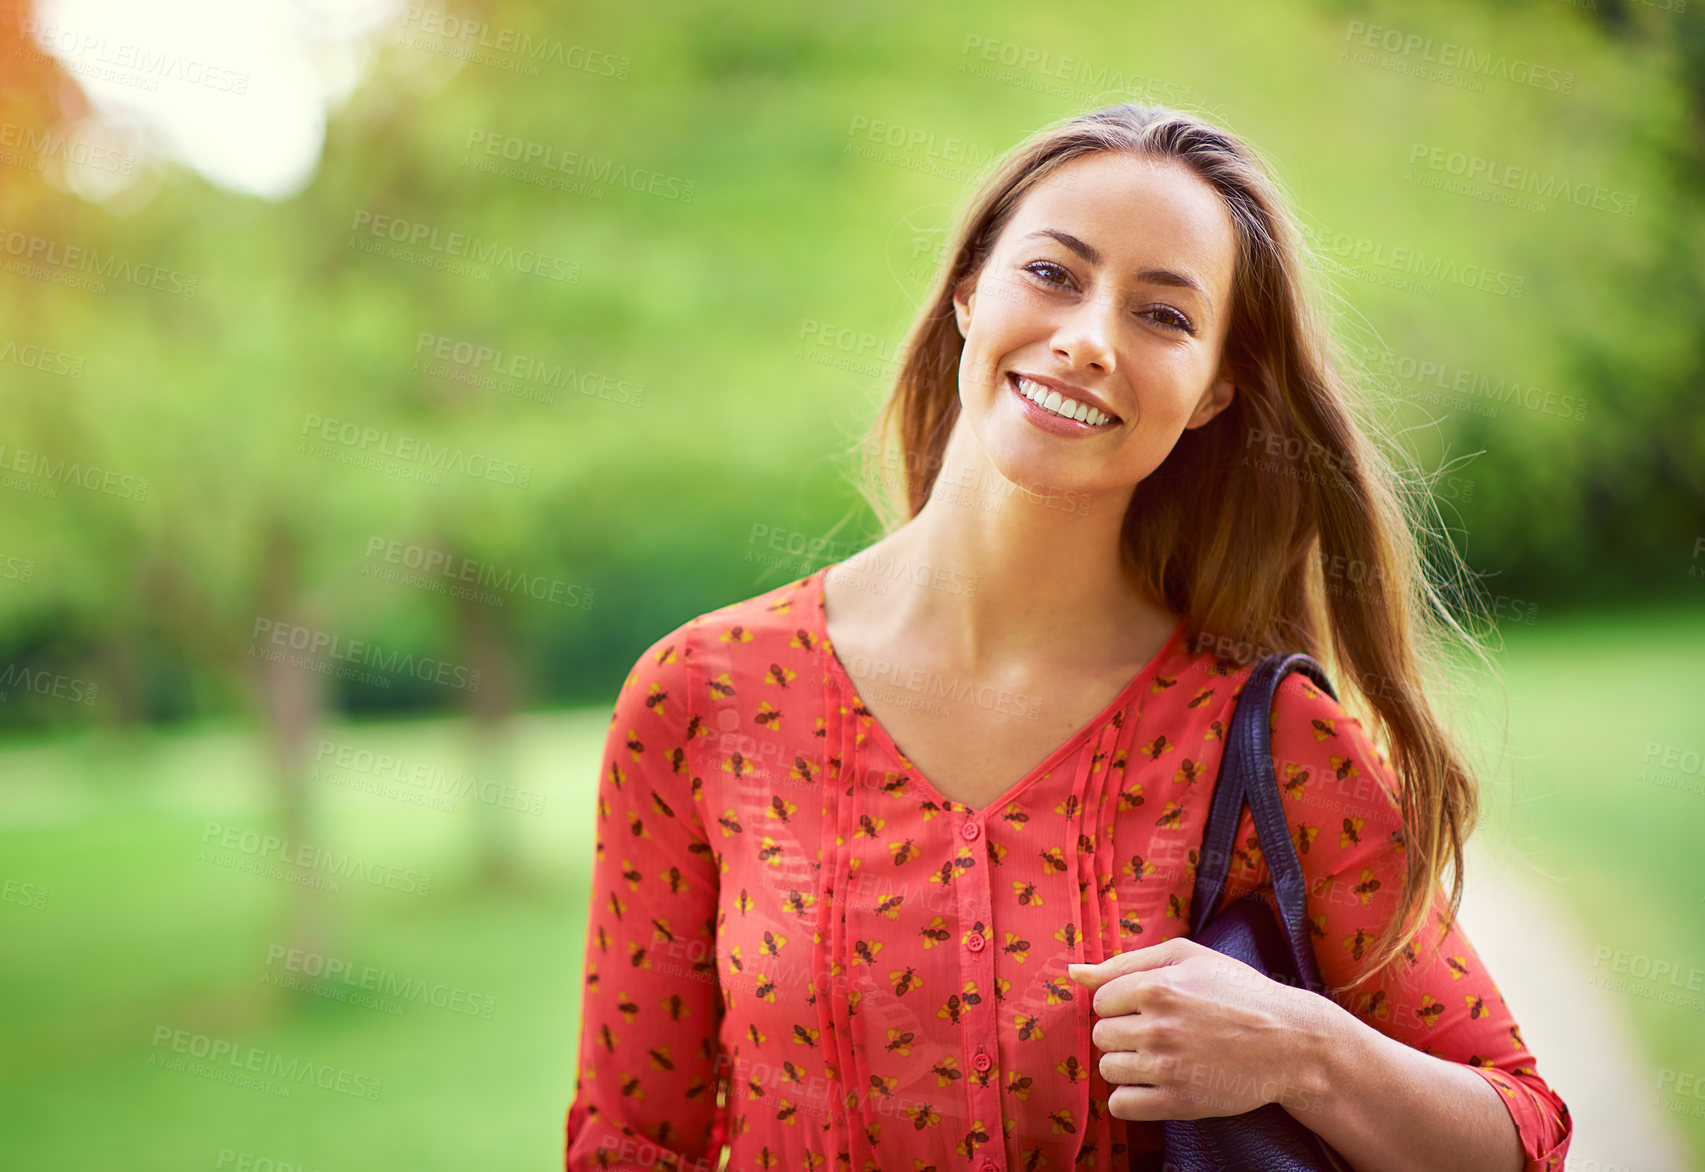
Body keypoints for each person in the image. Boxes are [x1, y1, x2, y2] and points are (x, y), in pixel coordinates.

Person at [563, 103, 1573, 1172]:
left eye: (1164, 315)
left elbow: (1523, 1134)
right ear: (967, 291)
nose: (1090, 338)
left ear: (1211, 391)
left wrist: (1302, 1049)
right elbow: (629, 1141)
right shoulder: (701, 696)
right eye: (1052, 272)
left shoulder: (1267, 734)